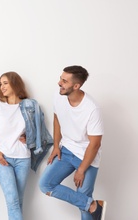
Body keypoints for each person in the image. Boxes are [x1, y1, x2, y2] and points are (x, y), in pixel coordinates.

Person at [39, 65, 106, 220]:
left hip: (87, 156)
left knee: (83, 203)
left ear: (76, 86)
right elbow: (57, 118)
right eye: (60, 78)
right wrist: (56, 146)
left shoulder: (92, 109)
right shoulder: (59, 96)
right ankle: (94, 206)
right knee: (45, 184)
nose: (59, 83)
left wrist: (81, 169)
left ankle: (89, 205)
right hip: (67, 150)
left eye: (64, 81)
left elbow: (95, 144)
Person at [0, 71, 53, 220]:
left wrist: (30, 137)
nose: (2, 87)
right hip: (3, 158)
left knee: (18, 201)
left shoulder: (30, 105)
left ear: (15, 84)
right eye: (0, 84)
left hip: (23, 158)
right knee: (13, 201)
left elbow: (41, 132)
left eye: (5, 83)